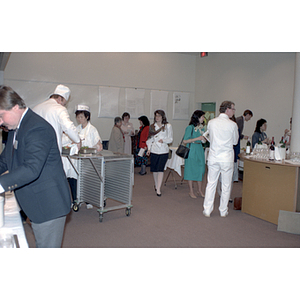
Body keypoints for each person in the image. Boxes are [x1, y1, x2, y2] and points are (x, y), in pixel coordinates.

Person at [0, 86, 71, 247]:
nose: (0, 122)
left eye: (1, 116)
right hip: (35, 201)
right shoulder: (15, 128)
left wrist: (1, 184)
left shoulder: (37, 127)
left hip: (49, 205)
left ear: (15, 107)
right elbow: (5, 160)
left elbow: (31, 169)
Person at [62, 105, 103, 209]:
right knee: (73, 178)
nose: (79, 119)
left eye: (81, 117)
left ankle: (88, 200)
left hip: (88, 160)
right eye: (78, 117)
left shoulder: (92, 129)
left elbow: (99, 145)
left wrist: (93, 148)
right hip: (76, 160)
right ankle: (76, 199)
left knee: (87, 180)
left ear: (87, 117)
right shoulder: (76, 129)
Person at [203, 101, 239, 217]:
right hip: (226, 158)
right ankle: (223, 210)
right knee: (226, 185)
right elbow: (235, 141)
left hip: (213, 157)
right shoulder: (233, 125)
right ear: (227, 109)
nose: (233, 112)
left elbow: (208, 136)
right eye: (233, 109)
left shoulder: (211, 122)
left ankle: (207, 209)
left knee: (211, 184)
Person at [33, 84, 81, 153]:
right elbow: (68, 127)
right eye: (64, 104)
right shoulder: (59, 109)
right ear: (59, 99)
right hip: (51, 152)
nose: (63, 106)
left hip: (35, 150)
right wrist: (78, 140)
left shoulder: (36, 108)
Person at [146, 110, 173, 196]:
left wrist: (163, 140)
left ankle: (158, 188)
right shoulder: (152, 127)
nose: (157, 117)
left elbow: (170, 139)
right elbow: (149, 139)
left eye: (159, 116)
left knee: (160, 169)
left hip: (163, 150)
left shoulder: (168, 126)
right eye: (156, 116)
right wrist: (149, 149)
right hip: (154, 150)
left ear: (162, 117)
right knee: (154, 170)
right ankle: (156, 184)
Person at [182, 110, 206, 198]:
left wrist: (204, 139)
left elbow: (202, 139)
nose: (203, 118)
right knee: (191, 170)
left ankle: (199, 190)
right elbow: (185, 140)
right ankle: (191, 191)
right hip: (192, 149)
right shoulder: (190, 127)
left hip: (200, 149)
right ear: (198, 117)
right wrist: (197, 138)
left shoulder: (202, 128)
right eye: (202, 117)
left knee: (201, 170)